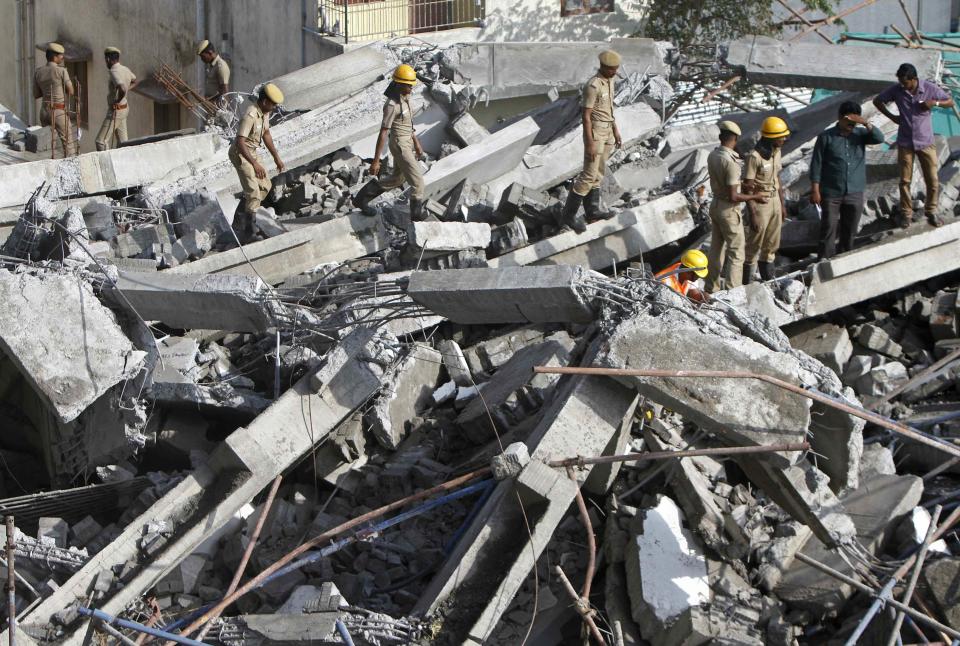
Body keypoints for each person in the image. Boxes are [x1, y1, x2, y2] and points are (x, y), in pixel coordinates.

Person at [873, 63, 954, 227]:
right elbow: (878, 101)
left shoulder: (929, 89)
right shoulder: (897, 90)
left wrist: (934, 103)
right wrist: (893, 117)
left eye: (906, 82)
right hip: (905, 142)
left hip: (926, 142)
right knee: (904, 181)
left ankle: (931, 211)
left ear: (914, 79)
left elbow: (950, 102)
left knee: (932, 180)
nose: (903, 85)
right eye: (901, 82)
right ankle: (906, 214)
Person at [810, 101, 886, 259]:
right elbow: (816, 165)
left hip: (854, 191)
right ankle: (824, 260)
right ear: (840, 117)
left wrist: (865, 123)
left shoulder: (860, 135)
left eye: (854, 122)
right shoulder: (826, 137)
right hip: (831, 192)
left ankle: (845, 258)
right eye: (848, 122)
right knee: (829, 227)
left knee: (850, 228)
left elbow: (880, 138)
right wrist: (815, 190)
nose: (851, 125)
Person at [560, 50, 623, 233]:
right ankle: (568, 216)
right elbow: (586, 117)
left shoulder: (610, 81)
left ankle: (592, 211)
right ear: (604, 67)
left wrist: (616, 131)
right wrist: (589, 144)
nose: (615, 71)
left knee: (598, 174)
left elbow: (610, 110)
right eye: (612, 69)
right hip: (595, 133)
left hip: (608, 132)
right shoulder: (593, 86)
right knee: (588, 175)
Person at [352, 64, 426, 221]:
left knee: (398, 179)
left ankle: (361, 199)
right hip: (400, 146)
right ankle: (417, 221)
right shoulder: (392, 106)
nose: (411, 88)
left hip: (407, 143)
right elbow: (383, 132)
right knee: (418, 183)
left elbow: (408, 124)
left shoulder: (405, 98)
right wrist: (376, 161)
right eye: (408, 85)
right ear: (399, 84)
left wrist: (417, 143)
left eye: (411, 85)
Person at [704, 121, 769, 294]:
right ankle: (733, 292)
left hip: (716, 205)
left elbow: (724, 183)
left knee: (716, 249)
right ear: (736, 138)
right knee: (736, 252)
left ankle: (711, 288)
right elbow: (734, 195)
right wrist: (755, 196)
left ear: (720, 137)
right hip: (728, 210)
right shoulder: (731, 161)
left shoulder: (713, 155)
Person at [229, 83, 286, 243]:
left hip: (252, 151)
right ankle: (249, 232)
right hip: (241, 153)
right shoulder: (251, 114)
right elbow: (240, 141)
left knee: (265, 186)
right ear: (265, 101)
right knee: (254, 192)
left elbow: (266, 133)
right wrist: (254, 164)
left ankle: (241, 218)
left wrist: (276, 157)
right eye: (273, 104)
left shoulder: (264, 112)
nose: (274, 108)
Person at [742, 116, 789, 283]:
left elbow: (777, 179)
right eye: (780, 136)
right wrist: (753, 214)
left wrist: (782, 205)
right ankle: (746, 283)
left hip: (775, 200)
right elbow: (747, 187)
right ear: (770, 137)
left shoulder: (777, 152)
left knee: (772, 244)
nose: (784, 139)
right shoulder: (754, 157)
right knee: (754, 245)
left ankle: (768, 280)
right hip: (761, 204)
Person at [33, 42, 76, 158]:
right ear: (54, 56)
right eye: (61, 55)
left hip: (44, 111)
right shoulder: (61, 70)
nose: (62, 57)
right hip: (58, 111)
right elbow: (71, 91)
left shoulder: (38, 71)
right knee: (68, 145)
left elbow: (36, 94)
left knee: (48, 144)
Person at [95, 47, 137, 151]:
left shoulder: (113, 71)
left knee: (101, 141)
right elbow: (134, 81)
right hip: (124, 108)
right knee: (123, 143)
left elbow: (122, 88)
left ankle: (107, 166)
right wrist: (125, 91)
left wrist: (117, 100)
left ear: (108, 59)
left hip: (117, 110)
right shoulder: (125, 69)